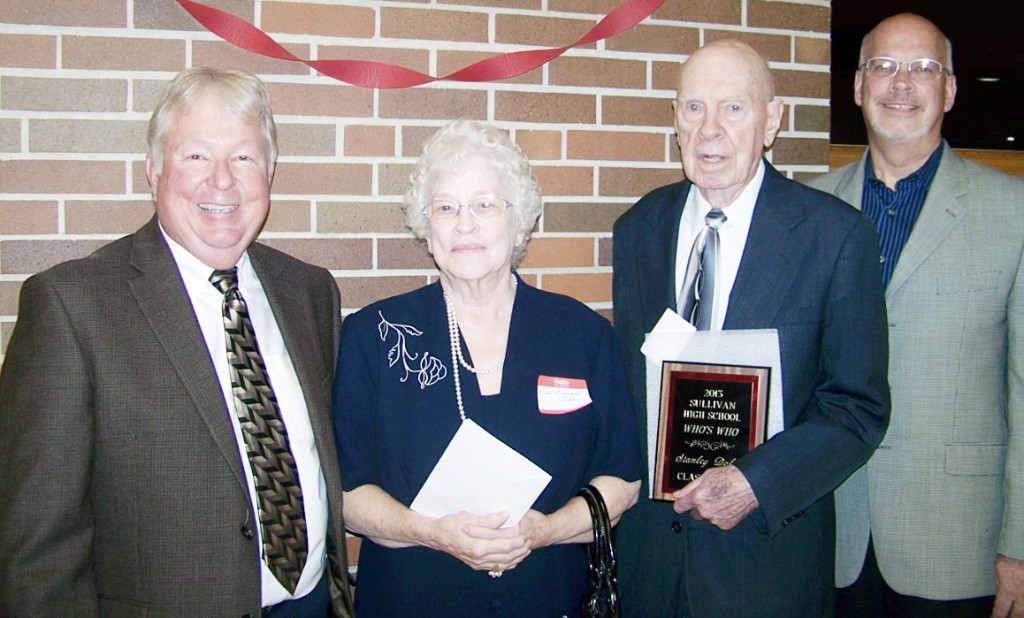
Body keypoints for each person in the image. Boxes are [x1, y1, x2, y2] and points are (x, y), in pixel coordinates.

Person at [0, 67, 353, 617]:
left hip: (308, 605)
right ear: (154, 169)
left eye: (243, 157)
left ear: (270, 172)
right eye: (195, 156)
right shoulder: (72, 305)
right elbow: (36, 549)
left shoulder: (309, 293)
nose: (221, 180)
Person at [612, 40, 891, 616]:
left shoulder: (835, 237)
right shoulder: (638, 228)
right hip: (650, 563)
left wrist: (754, 484)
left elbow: (857, 407)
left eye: (733, 108)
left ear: (772, 121)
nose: (709, 129)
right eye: (693, 108)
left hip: (766, 567)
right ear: (676, 120)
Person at [333, 119, 643, 616]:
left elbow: (623, 480)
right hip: (412, 600)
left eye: (485, 204)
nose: (465, 223)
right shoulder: (375, 335)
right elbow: (347, 493)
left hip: (549, 598)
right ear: (425, 226)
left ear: (520, 222)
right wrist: (429, 531)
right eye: (446, 206)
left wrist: (544, 530)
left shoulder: (582, 335)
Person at [805, 13, 1024, 618]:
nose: (902, 83)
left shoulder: (1015, 213)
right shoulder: (809, 208)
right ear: (857, 86)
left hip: (958, 544)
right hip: (831, 532)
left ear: (950, 90)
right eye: (884, 66)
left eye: (924, 68)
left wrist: (1021, 549)